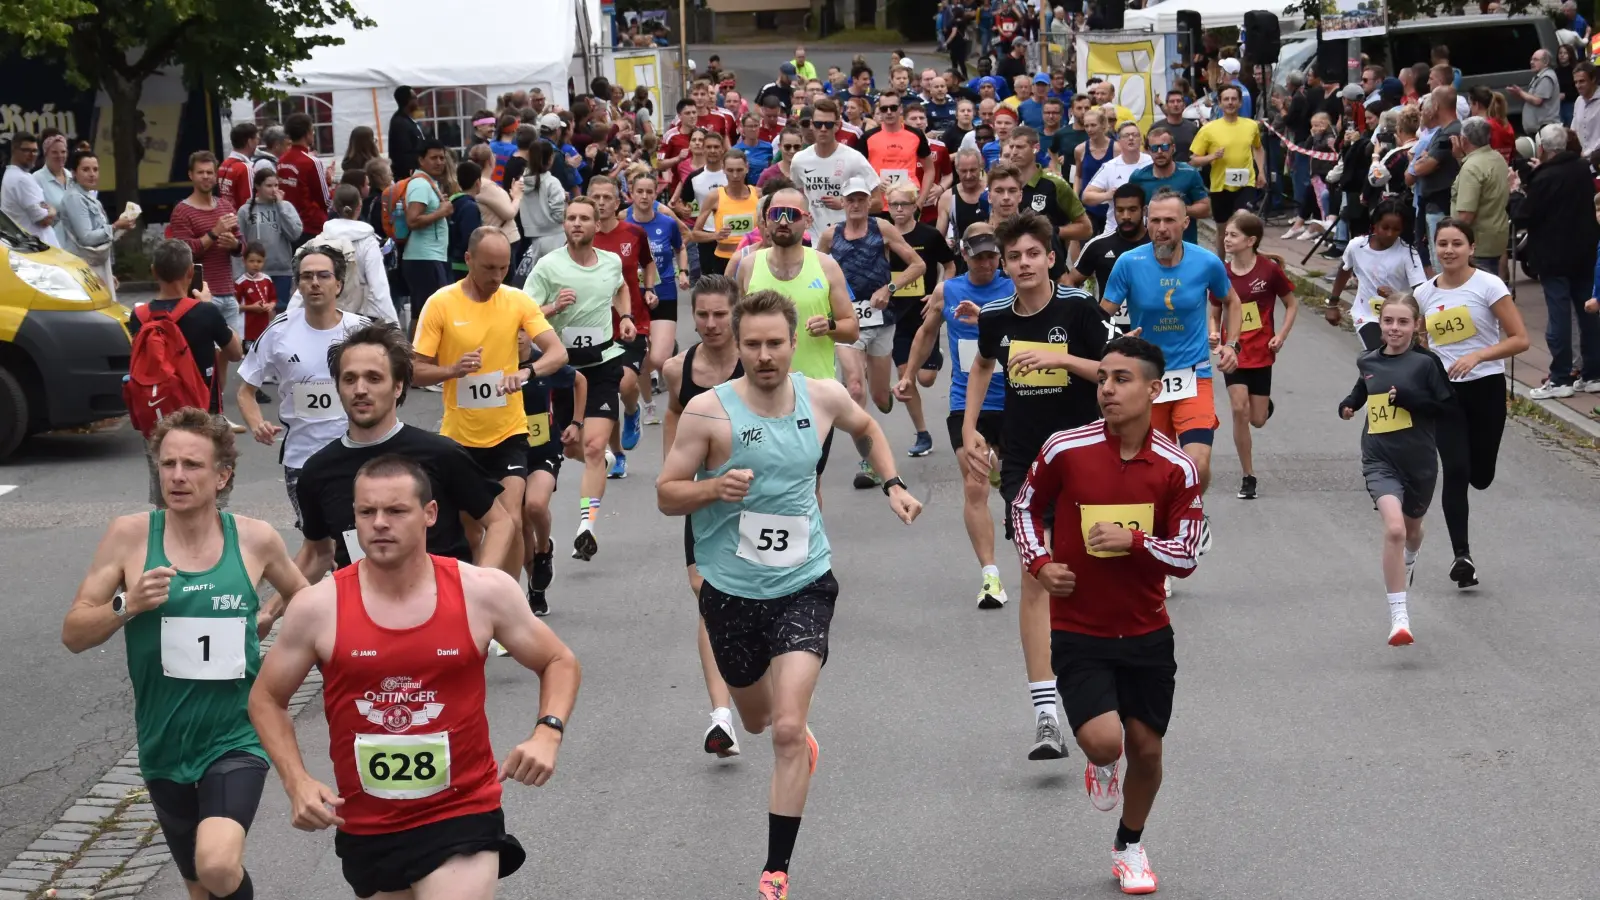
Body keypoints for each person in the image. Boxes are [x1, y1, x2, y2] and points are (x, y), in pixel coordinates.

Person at [657, 288, 923, 900]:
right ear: (738, 346)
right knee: (756, 721)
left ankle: (775, 870)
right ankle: (787, 730)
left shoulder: (822, 395)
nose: (765, 354)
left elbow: (867, 429)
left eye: (775, 342)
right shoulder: (708, 412)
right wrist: (712, 489)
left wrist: (894, 483)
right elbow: (667, 494)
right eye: (752, 344)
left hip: (804, 581)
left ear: (793, 340)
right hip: (729, 589)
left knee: (784, 729)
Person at [249, 454, 580, 900]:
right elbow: (267, 699)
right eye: (367, 512)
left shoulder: (480, 591)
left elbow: (558, 660)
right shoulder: (318, 606)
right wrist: (297, 781)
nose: (379, 523)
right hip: (367, 822)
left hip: (462, 810)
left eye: (396, 510)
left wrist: (548, 732)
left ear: (430, 514)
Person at [62, 408, 308, 900]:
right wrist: (125, 604)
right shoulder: (130, 536)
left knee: (216, 865)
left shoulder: (255, 538)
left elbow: (309, 602)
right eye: (167, 463)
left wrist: (273, 619)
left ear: (222, 475)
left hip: (236, 735)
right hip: (163, 743)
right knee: (201, 887)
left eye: (192, 465)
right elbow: (74, 633)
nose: (176, 476)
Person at [1009, 335, 1203, 897]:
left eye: (1121, 379)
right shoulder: (1065, 448)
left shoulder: (1176, 468)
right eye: (1103, 379)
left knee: (1147, 749)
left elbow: (1187, 555)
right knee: (1104, 743)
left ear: (1153, 388)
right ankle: (1100, 762)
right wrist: (1041, 564)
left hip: (1146, 630)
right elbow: (1024, 507)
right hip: (1079, 628)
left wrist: (1136, 541)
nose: (1108, 390)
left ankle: (1130, 846)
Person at [960, 211, 1115, 759]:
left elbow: (1109, 372)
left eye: (1032, 254)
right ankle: (1046, 713)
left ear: (1051, 257)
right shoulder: (996, 317)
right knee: (1036, 577)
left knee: (1092, 575)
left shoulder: (1076, 309)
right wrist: (970, 426)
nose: (1023, 264)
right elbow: (981, 367)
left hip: (1086, 455)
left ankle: (1098, 691)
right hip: (1027, 464)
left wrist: (1058, 357)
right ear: (1003, 265)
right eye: (1013, 257)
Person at [293, 322, 515, 582]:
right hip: (360, 612)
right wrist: (270, 611)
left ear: (398, 387)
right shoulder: (318, 470)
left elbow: (500, 522)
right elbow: (317, 554)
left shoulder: (441, 454)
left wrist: (480, 585)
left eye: (374, 378)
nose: (360, 389)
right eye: (349, 379)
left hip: (440, 609)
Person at [414, 227, 568, 580]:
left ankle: (506, 606)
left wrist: (528, 372)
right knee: (472, 531)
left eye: (504, 268)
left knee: (510, 521)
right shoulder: (441, 303)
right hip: (460, 438)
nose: (498, 277)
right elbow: (413, 370)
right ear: (468, 260)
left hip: (509, 433)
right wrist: (452, 369)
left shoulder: (518, 301)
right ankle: (475, 600)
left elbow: (558, 353)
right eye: (489, 268)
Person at [1102, 189, 1241, 554]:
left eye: (1169, 221)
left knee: (1196, 461)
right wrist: (1113, 340)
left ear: (1185, 223)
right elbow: (1103, 315)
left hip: (1193, 374)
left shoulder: (1206, 262)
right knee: (1152, 469)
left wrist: (1233, 345)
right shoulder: (1129, 263)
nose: (1161, 229)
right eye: (1155, 221)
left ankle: (1191, 513)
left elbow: (1231, 300)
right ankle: (1163, 537)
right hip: (1147, 381)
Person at [896, 223, 1013, 609]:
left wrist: (993, 323)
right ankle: (991, 577)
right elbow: (926, 332)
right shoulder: (949, 289)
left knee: (1015, 480)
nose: (986, 261)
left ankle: (1007, 480)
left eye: (992, 254)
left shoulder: (1016, 287)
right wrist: (910, 374)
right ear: (964, 255)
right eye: (979, 255)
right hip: (969, 404)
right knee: (976, 486)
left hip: (1017, 399)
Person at [236, 246, 369, 568]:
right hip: (303, 461)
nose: (314, 283)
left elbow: (395, 384)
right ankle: (299, 610)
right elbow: (245, 391)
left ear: (338, 283)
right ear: (297, 284)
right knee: (322, 547)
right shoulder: (280, 331)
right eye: (306, 277)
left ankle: (348, 607)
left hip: (360, 456)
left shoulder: (362, 331)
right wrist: (257, 424)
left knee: (357, 541)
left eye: (323, 276)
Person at [1415, 218, 1529, 589]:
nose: (1448, 250)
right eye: (1442, 243)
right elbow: (1420, 339)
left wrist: (1479, 356)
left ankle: (1479, 479)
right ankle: (1461, 556)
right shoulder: (1423, 293)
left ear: (1471, 247)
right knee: (1456, 471)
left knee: (1480, 476)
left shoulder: (1488, 285)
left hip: (1486, 387)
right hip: (1444, 394)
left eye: (1456, 244)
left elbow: (1520, 339)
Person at [1337, 292, 1456, 646]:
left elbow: (1448, 409)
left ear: (1416, 325)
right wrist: (1349, 404)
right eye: (1388, 321)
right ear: (1380, 323)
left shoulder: (1426, 364)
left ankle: (1411, 556)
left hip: (1418, 461)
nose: (1394, 328)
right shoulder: (1368, 359)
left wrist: (1412, 400)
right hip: (1379, 458)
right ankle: (1399, 617)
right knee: (1393, 529)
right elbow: (1364, 386)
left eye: (1403, 322)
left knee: (1412, 529)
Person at [525, 198, 637, 561]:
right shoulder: (547, 267)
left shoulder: (610, 263)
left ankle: (586, 528)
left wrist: (625, 316)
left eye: (584, 218)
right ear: (564, 225)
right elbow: (522, 314)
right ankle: (601, 461)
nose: (577, 223)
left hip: (602, 362)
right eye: (571, 218)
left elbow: (620, 287)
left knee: (591, 446)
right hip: (561, 369)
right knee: (570, 446)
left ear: (596, 223)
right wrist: (553, 308)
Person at [661, 276, 745, 756]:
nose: (711, 324)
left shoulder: (755, 360)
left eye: (720, 315)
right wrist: (674, 472)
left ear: (735, 314)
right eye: (703, 315)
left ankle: (767, 698)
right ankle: (721, 717)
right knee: (707, 593)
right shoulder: (679, 367)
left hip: (759, 501)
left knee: (762, 600)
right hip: (707, 501)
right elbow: (674, 414)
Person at [736, 188, 859, 493]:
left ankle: (808, 543)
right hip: (758, 393)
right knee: (758, 483)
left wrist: (829, 325)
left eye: (792, 215)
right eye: (776, 214)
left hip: (813, 394)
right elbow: (734, 329)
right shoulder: (749, 265)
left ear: (807, 220)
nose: (783, 221)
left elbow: (851, 328)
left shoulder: (826, 266)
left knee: (808, 484)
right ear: (765, 220)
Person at [816, 176, 927, 488]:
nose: (855, 204)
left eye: (861, 199)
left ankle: (882, 397)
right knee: (853, 387)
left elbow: (917, 265)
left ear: (869, 202)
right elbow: (814, 269)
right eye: (850, 199)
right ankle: (868, 460)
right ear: (842, 201)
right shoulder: (830, 236)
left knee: (879, 396)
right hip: (846, 322)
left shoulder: (882, 229)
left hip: (880, 320)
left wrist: (889, 288)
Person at [129, 241, 246, 479]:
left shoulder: (138, 316)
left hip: (159, 413)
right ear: (191, 272)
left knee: (166, 489)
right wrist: (209, 306)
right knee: (210, 488)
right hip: (202, 413)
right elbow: (235, 352)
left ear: (153, 271)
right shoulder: (205, 312)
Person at [1214, 212, 1296, 500]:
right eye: (1226, 235)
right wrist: (1215, 333)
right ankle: (1248, 476)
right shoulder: (1221, 272)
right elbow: (1214, 309)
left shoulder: (1269, 271)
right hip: (1232, 351)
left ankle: (1262, 407)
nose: (1227, 239)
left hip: (1261, 352)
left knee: (1257, 419)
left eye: (1233, 235)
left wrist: (1281, 335)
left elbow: (1291, 304)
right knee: (1239, 409)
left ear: (1251, 240)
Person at [1518, 123, 1600, 399]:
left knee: (1559, 316)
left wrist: (1517, 191)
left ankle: (1561, 376)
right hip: (1583, 252)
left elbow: (1526, 215)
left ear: (1542, 148)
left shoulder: (1545, 177)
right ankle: (1592, 373)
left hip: (1553, 256)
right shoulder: (1580, 168)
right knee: (1587, 313)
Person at [588, 175, 656, 475]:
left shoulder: (633, 232)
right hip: (595, 326)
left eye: (607, 198)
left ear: (618, 202)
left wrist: (650, 287)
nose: (601, 203)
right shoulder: (581, 236)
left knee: (625, 383)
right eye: (596, 197)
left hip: (632, 322)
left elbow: (648, 263)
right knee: (607, 391)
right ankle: (616, 455)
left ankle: (632, 411)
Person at [885, 182, 953, 457]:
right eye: (894, 205)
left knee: (926, 378)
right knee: (907, 376)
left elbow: (949, 265)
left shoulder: (929, 235)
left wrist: (940, 293)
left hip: (925, 313)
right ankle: (923, 433)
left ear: (916, 206)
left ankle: (934, 355)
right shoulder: (882, 235)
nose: (899, 210)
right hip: (896, 315)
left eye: (904, 204)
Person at [626, 170, 690, 423]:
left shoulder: (667, 223)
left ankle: (646, 377)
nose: (644, 196)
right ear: (631, 194)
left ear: (656, 195)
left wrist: (682, 271)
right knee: (641, 356)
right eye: (639, 191)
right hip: (632, 297)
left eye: (649, 192)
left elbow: (680, 248)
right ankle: (648, 405)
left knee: (658, 358)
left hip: (664, 293)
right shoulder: (624, 223)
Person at [168, 151, 246, 347]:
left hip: (228, 292)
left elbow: (242, 247)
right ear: (191, 175)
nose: (206, 177)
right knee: (205, 356)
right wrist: (214, 233)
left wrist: (234, 245)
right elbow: (184, 252)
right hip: (199, 294)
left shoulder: (225, 205)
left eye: (210, 172)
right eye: (200, 172)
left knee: (230, 354)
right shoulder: (182, 211)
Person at [1326, 200, 1427, 351]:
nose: (1389, 234)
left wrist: (1396, 296)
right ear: (1375, 224)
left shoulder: (1408, 254)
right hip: (1367, 316)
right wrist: (1333, 304)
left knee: (1391, 365)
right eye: (1385, 227)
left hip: (1399, 319)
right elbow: (1345, 269)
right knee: (1379, 355)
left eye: (1396, 229)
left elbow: (1421, 291)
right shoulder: (1357, 246)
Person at [1187, 86, 1265, 258]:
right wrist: (1212, 157)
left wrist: (1261, 172)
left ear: (1240, 102)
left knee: (1242, 220)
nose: (1230, 103)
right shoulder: (1209, 129)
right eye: (1226, 99)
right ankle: (1220, 266)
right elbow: (1194, 159)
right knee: (1223, 231)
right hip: (1220, 185)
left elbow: (1258, 149)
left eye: (1233, 99)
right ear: (1220, 103)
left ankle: (1245, 264)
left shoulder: (1251, 125)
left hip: (1246, 183)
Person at [789, 98, 881, 241]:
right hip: (813, 237)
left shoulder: (854, 158)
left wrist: (846, 204)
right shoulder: (799, 160)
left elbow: (878, 203)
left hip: (849, 239)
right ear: (812, 125)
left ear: (837, 125)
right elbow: (798, 196)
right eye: (819, 124)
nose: (823, 129)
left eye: (828, 124)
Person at [314, 183, 398, 324]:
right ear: (359, 206)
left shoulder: (321, 239)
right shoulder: (369, 242)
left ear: (334, 207)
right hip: (362, 314)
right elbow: (379, 286)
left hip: (329, 311)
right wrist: (393, 324)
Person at [60, 149, 137, 300]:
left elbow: (101, 236)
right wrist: (115, 226)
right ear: (74, 172)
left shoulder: (89, 196)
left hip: (96, 264)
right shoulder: (75, 198)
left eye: (95, 169)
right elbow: (87, 238)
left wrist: (122, 227)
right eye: (85, 169)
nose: (92, 174)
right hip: (85, 267)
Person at [1068, 184, 1150, 317]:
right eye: (1120, 210)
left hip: (1149, 329)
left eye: (1132, 209)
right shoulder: (1098, 245)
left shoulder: (1157, 244)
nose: (1126, 216)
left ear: (1144, 210)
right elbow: (1070, 281)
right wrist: (1081, 313)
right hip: (1109, 330)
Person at [1125, 125, 1210, 243]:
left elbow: (1205, 209)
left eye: (1164, 147)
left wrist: (1177, 209)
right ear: (1148, 150)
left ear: (1173, 148)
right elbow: (1130, 210)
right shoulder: (1138, 177)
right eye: (1154, 148)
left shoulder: (1189, 174)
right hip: (1150, 243)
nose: (1159, 152)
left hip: (1184, 243)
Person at [402, 141, 455, 327]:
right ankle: (420, 355)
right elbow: (413, 220)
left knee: (421, 314)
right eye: (433, 158)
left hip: (427, 257)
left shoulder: (427, 183)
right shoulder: (420, 185)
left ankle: (413, 354)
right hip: (424, 258)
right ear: (421, 160)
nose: (439, 162)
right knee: (430, 315)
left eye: (442, 157)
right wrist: (442, 212)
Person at [1448, 117, 1510, 274]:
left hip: (1478, 244)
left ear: (1464, 140)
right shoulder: (1497, 158)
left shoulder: (1471, 168)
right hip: (1496, 237)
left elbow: (1466, 216)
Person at [237, 168, 303, 303]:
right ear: (257, 187)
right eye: (269, 186)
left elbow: (295, 234)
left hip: (281, 271)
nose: (274, 190)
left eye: (276, 185)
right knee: (258, 313)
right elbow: (240, 243)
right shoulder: (245, 210)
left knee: (280, 312)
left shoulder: (286, 207)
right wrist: (239, 274)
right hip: (254, 272)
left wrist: (281, 207)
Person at [1081, 122, 1153, 235]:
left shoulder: (1151, 162)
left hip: (1147, 230)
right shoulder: (1110, 166)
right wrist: (1107, 195)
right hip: (1115, 231)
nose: (1131, 138)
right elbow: (1086, 196)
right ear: (1119, 141)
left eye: (1135, 135)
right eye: (1126, 135)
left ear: (1141, 139)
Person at [277, 113, 331, 238]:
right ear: (307, 133)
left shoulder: (282, 160)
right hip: (311, 225)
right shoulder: (311, 161)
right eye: (312, 130)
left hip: (289, 223)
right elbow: (325, 200)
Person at [1, 134, 56, 246]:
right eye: (26, 150)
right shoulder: (21, 179)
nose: (32, 155)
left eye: (35, 151)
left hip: (30, 248)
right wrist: (53, 210)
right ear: (14, 150)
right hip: (35, 250)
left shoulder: (15, 175)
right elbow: (44, 220)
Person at [1509, 50, 1562, 135]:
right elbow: (1531, 98)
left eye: (1535, 60)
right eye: (1531, 59)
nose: (1531, 62)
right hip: (1538, 129)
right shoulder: (1538, 77)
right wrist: (1519, 94)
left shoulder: (1546, 77)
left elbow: (1537, 100)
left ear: (1546, 62)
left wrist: (1520, 92)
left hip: (1544, 129)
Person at [33, 133, 70, 245]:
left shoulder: (72, 176)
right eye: (54, 152)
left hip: (76, 244)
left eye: (63, 152)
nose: (60, 156)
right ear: (46, 154)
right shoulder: (36, 178)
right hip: (53, 243)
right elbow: (38, 215)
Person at [389, 86, 426, 180]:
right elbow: (404, 154)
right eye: (414, 97)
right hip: (407, 176)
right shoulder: (399, 123)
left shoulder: (408, 120)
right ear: (407, 100)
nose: (417, 100)